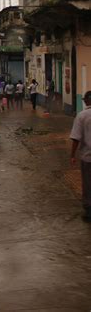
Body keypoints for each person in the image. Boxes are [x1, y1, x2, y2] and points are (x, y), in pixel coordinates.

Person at [70, 90, 91, 222]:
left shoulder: (82, 116)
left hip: (88, 157)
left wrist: (72, 155)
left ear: (86, 101)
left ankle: (89, 211)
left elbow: (76, 138)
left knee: (88, 184)